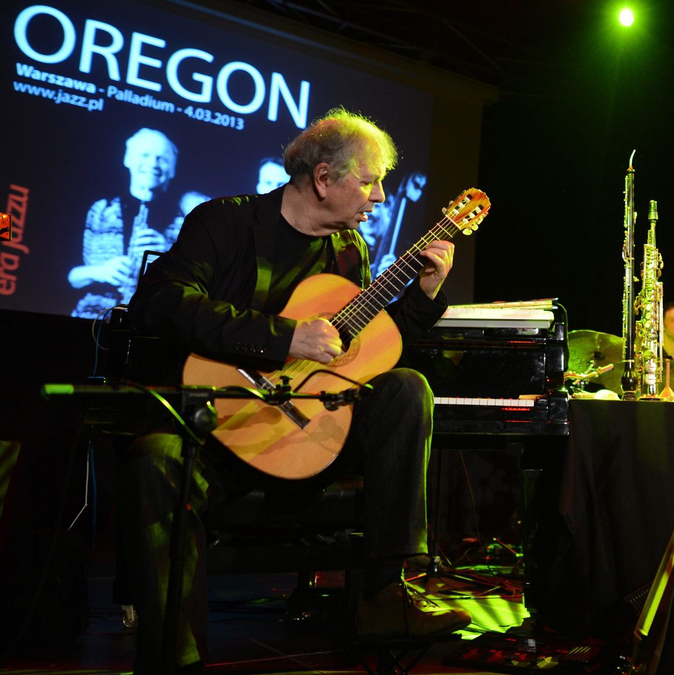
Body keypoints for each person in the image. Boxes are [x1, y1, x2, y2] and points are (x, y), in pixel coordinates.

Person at [121, 108, 470, 674]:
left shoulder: (349, 252)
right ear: (324, 178)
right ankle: (174, 656)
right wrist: (284, 337)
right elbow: (159, 302)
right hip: (216, 430)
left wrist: (425, 293)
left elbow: (364, 352)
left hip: (305, 433)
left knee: (406, 388)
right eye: (370, 180)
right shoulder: (224, 223)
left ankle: (385, 594)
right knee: (153, 460)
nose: (380, 196)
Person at [68, 128, 175, 318]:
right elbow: (64, 276)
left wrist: (171, 254)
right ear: (128, 159)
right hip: (92, 320)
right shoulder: (98, 209)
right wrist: (100, 271)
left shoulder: (188, 217)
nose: (152, 164)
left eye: (162, 158)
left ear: (172, 169)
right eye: (145, 155)